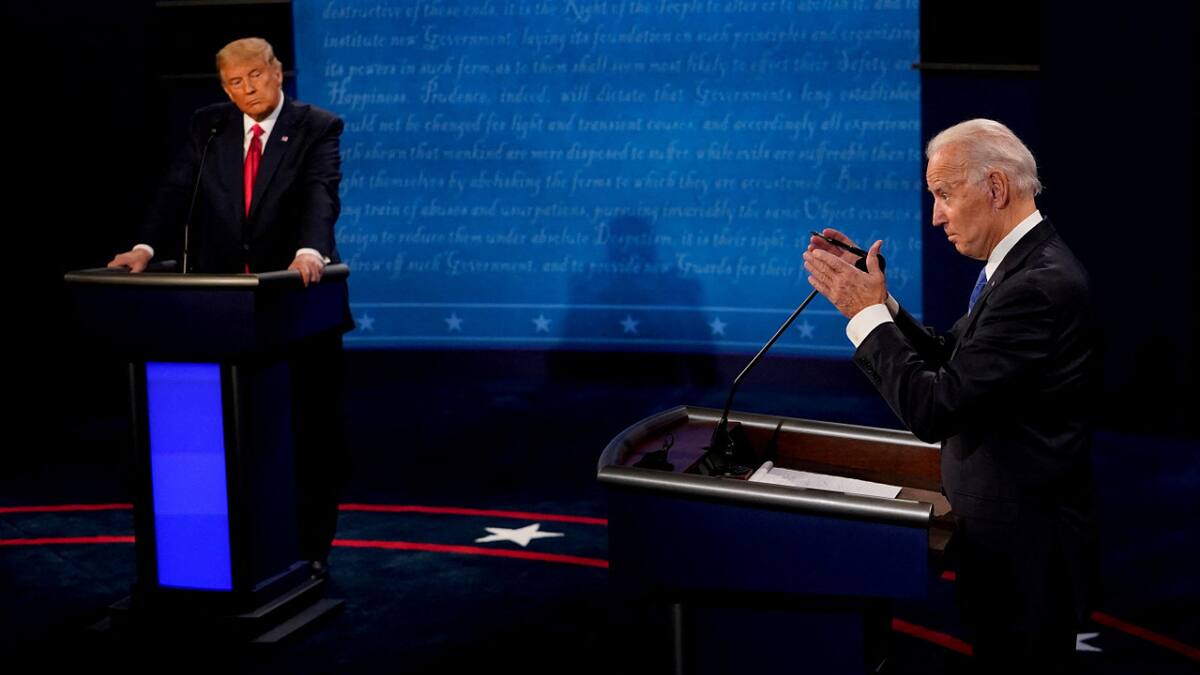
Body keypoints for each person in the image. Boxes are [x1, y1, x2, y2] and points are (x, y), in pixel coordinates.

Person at [803, 119, 1099, 673]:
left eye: (943, 194)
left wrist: (864, 316)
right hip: (1006, 543)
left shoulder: (1036, 284)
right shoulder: (1018, 266)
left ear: (995, 188)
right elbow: (955, 360)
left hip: (1028, 554)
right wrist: (883, 307)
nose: (936, 215)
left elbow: (935, 407)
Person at [109, 37, 348, 573]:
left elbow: (320, 192)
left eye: (254, 78)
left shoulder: (317, 126)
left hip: (295, 304)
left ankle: (310, 552)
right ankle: (235, 552)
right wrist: (146, 247)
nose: (246, 91)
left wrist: (310, 249)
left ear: (277, 72)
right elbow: (176, 190)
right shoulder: (209, 125)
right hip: (219, 311)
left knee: (309, 434)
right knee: (231, 437)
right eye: (233, 83)